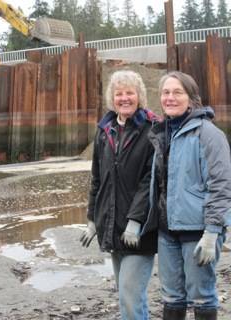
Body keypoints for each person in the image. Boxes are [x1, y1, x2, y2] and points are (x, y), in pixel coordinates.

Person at [148, 71, 231, 320]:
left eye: (177, 92)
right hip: (167, 230)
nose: (170, 98)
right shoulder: (162, 133)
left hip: (198, 231)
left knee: (202, 296)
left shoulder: (208, 135)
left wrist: (213, 231)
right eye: (166, 92)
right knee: (172, 296)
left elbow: (222, 185)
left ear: (191, 98)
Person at [80, 70, 159, 320]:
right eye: (119, 93)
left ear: (140, 96)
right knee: (127, 295)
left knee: (129, 292)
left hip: (140, 230)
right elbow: (97, 179)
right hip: (112, 226)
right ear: (111, 98)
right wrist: (93, 219)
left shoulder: (152, 130)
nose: (124, 98)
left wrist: (135, 221)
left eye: (129, 93)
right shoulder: (105, 131)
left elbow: (151, 181)